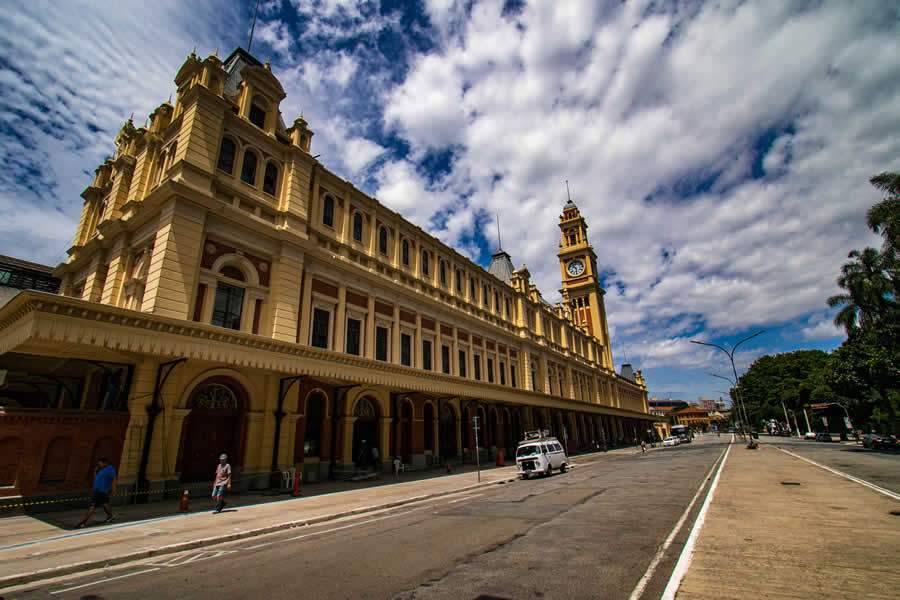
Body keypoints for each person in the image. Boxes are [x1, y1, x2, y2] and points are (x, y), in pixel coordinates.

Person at [77, 458, 116, 528]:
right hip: (98, 490)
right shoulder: (102, 470)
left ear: (105, 463)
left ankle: (83, 522)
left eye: (100, 463)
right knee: (105, 504)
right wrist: (95, 472)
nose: (99, 464)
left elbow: (113, 480)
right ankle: (110, 516)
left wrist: (113, 489)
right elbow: (97, 479)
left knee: (92, 506)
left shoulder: (110, 469)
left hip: (101, 491)